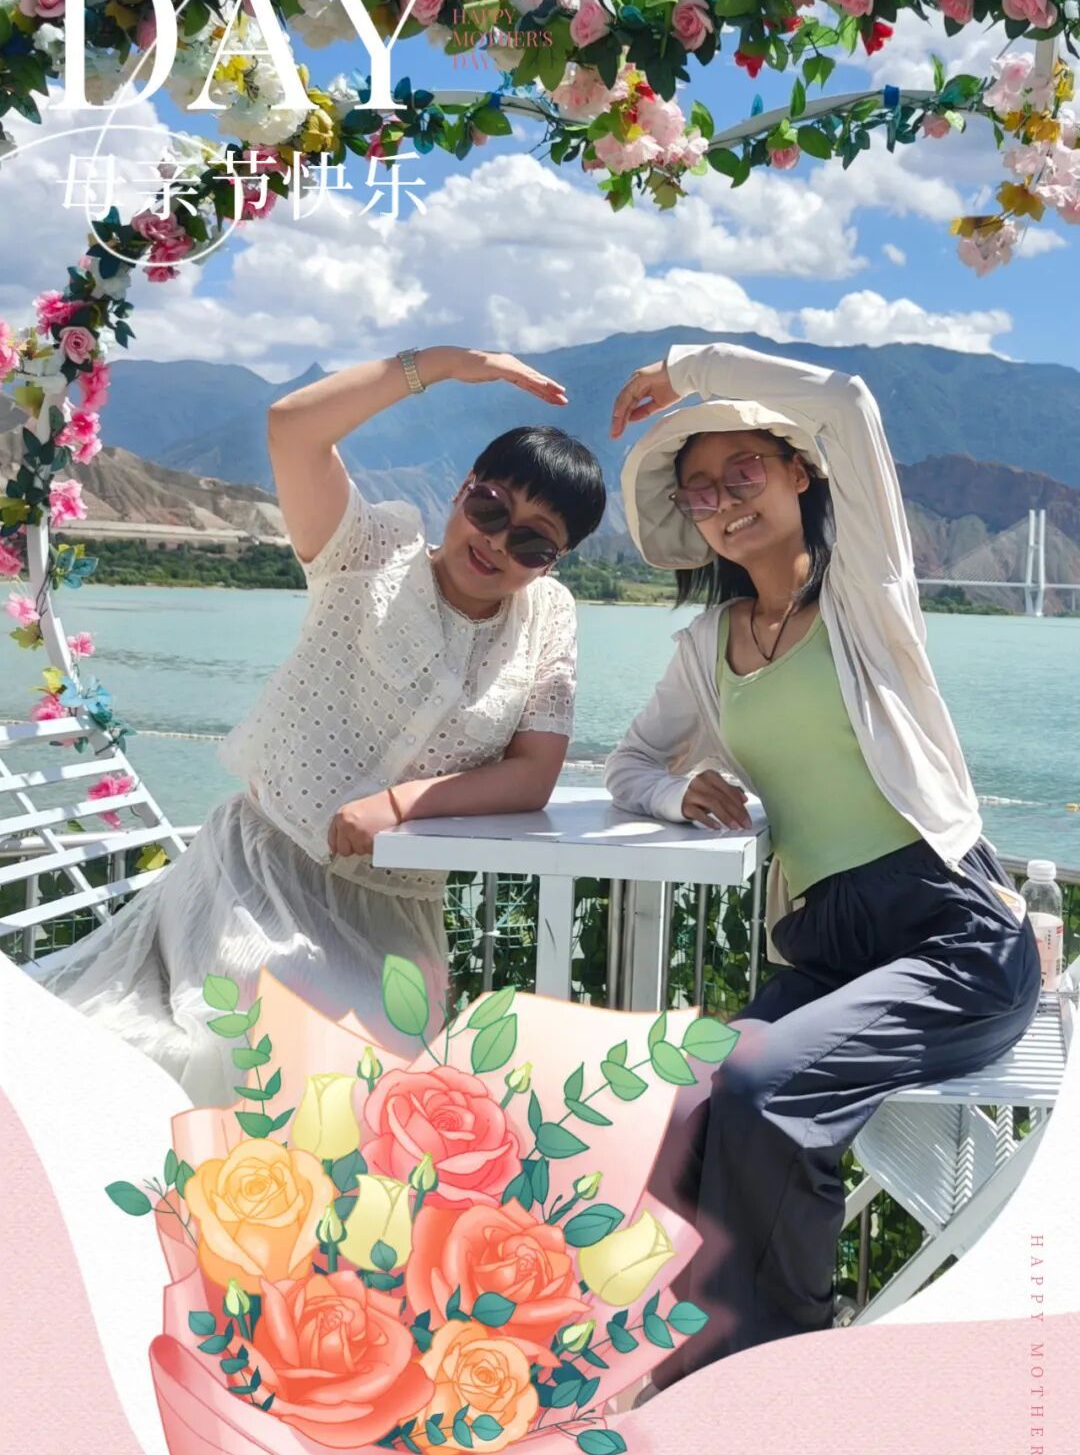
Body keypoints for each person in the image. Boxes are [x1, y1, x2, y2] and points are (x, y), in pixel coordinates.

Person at [604, 337, 1042, 1375]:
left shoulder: (863, 598)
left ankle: (781, 1371)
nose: (725, 501)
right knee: (679, 1096)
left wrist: (689, 368)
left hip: (954, 935)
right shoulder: (707, 648)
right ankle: (681, 1359)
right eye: (702, 490)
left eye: (745, 470)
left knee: (764, 1088)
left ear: (800, 473)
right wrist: (676, 790)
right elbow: (629, 763)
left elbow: (846, 400)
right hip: (830, 947)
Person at [45, 345, 606, 1104]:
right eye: (490, 509)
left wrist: (398, 806)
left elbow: (533, 773)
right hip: (261, 876)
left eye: (534, 542)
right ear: (462, 490)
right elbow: (293, 428)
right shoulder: (371, 553)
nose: (499, 543)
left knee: (382, 1091)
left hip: (396, 911)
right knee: (276, 1050)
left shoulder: (548, 618)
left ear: (555, 561)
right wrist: (442, 364)